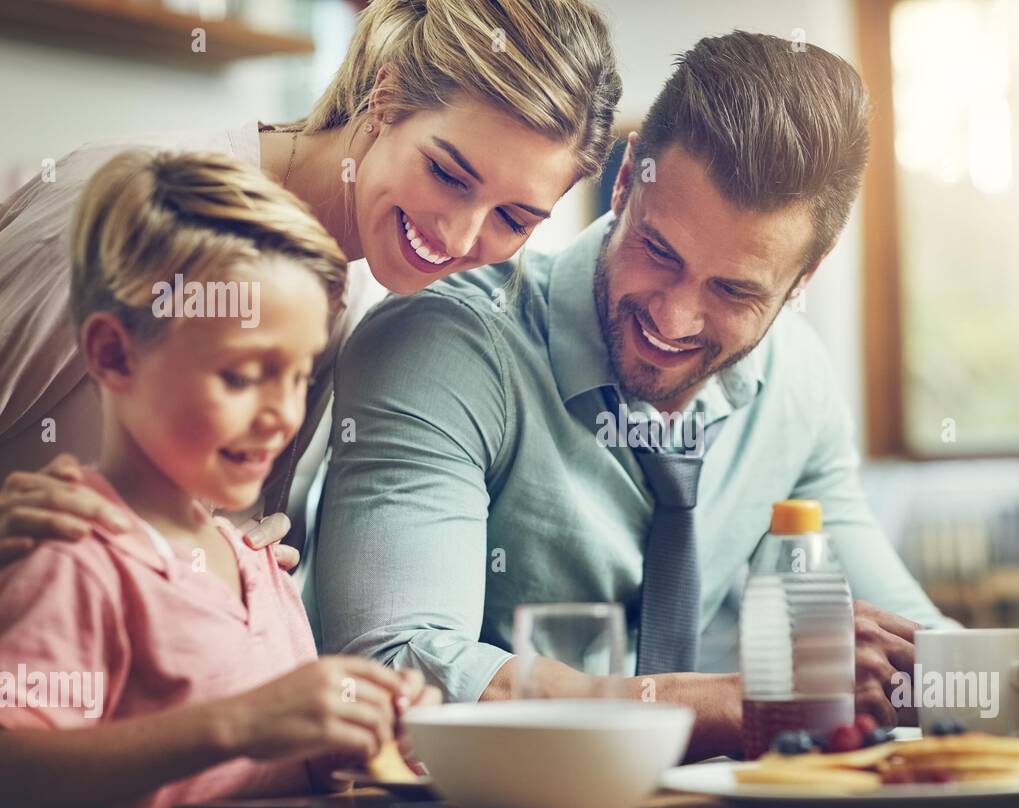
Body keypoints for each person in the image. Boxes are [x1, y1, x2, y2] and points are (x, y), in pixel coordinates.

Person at [310, 32, 957, 760]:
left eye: (735, 290)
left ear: (802, 279)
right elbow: (392, 663)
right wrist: (723, 705)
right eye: (659, 251)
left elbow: (908, 640)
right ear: (625, 182)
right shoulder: (442, 345)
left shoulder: (796, 381)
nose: (672, 319)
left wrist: (1003, 677)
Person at [0, 0, 621, 567]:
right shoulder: (114, 215)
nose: (460, 241)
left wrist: (245, 555)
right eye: (448, 175)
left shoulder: (365, 289)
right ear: (387, 96)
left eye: (513, 219)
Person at [0, 151, 431, 808]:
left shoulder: (262, 568)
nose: (282, 415)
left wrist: (353, 737)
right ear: (114, 355)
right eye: (240, 376)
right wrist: (238, 723)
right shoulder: (78, 559)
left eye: (297, 375)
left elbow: (272, 771)